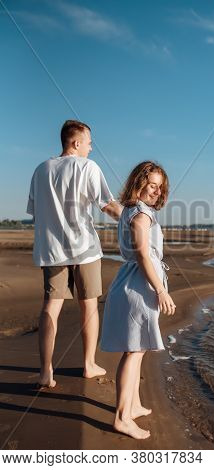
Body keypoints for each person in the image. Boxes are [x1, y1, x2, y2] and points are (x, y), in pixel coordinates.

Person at [26, 120, 122, 388]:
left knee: (50, 308)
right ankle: (88, 364)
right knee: (88, 305)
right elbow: (108, 207)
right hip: (84, 250)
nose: (91, 148)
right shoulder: (87, 167)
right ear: (76, 142)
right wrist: (134, 219)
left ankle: (46, 371)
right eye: (89, 143)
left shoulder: (40, 170)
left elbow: (36, 214)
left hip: (51, 251)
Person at [100, 161, 176, 440]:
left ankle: (132, 405)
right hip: (139, 286)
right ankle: (122, 417)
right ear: (139, 183)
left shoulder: (131, 210)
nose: (156, 191)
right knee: (133, 351)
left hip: (132, 282)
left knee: (138, 348)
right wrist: (161, 290)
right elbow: (144, 255)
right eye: (151, 185)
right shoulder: (141, 215)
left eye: (160, 187)